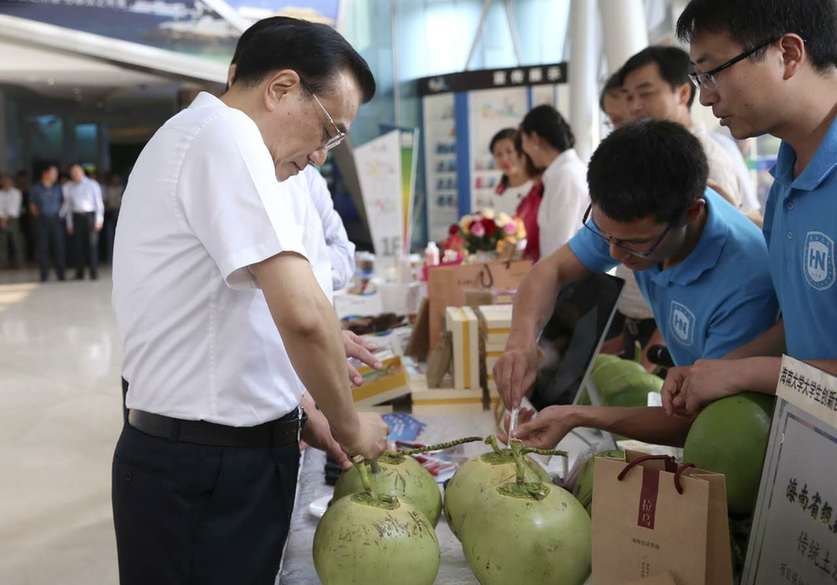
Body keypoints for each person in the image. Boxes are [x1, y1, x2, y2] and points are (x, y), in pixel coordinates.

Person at [111, 17, 389, 585]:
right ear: (282, 88)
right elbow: (305, 316)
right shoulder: (226, 134)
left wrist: (301, 411)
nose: (319, 155)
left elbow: (235, 316)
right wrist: (351, 426)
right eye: (329, 129)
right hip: (207, 470)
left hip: (209, 459)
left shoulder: (205, 138)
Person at [493, 120, 778, 449]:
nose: (614, 254)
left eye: (633, 244)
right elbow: (551, 271)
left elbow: (696, 419)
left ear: (692, 213)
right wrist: (521, 343)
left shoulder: (745, 285)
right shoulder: (630, 220)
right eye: (605, 236)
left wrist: (578, 416)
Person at [661, 0, 837, 416]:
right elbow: (802, 325)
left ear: (788, 54)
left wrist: (747, 374)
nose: (706, 97)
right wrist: (714, 367)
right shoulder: (788, 181)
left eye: (713, 71)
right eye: (698, 76)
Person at [620, 45, 747, 209]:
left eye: (645, 93)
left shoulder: (709, 160)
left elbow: (726, 229)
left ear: (683, 93)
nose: (634, 107)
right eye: (629, 97)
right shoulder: (644, 155)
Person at [519, 104, 589, 258]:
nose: (524, 150)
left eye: (523, 140)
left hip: (567, 275)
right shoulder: (560, 173)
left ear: (535, 138)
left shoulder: (565, 175)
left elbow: (561, 241)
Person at [489, 128, 543, 261]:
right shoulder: (498, 191)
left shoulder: (536, 187)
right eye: (498, 154)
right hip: (506, 259)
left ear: (521, 152)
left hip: (535, 258)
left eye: (509, 151)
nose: (504, 159)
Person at [63, 164, 104, 280]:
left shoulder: (92, 185)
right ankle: (79, 273)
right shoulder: (70, 187)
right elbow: (69, 207)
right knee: (78, 247)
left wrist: (99, 220)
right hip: (77, 217)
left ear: (82, 172)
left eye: (76, 172)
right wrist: (69, 224)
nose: (74, 175)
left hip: (90, 216)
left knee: (92, 245)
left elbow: (99, 204)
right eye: (72, 173)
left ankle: (93, 272)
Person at [29, 164, 66, 282]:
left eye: (56, 173)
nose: (55, 175)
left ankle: (61, 275)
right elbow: (32, 206)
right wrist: (40, 216)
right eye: (53, 173)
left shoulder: (58, 188)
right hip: (42, 220)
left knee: (58, 247)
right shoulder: (36, 188)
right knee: (42, 248)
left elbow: (62, 203)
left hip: (55, 220)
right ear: (45, 174)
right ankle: (44, 275)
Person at [0, 173, 26, 269]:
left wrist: (5, 219)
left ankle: (20, 263)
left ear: (11, 182)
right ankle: (3, 263)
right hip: (1, 219)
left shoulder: (16, 193)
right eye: (4, 181)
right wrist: (2, 219)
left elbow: (14, 208)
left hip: (13, 220)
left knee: (16, 242)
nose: (6, 183)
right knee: (2, 243)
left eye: (8, 181)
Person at [103, 173, 123, 264]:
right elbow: (105, 201)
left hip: (119, 214)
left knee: (120, 237)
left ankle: (120, 258)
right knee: (110, 237)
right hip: (110, 214)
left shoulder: (121, 189)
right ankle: (110, 258)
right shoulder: (108, 189)